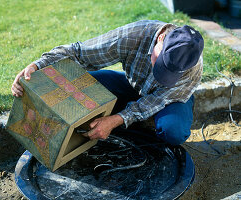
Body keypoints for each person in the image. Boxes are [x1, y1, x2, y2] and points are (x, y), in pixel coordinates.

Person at [11, 20, 204, 146]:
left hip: (168, 100)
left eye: (169, 72)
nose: (159, 72)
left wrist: (115, 120)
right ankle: (131, 122)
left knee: (173, 131)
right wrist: (38, 65)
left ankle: (148, 126)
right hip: (133, 86)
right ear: (160, 39)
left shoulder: (192, 66)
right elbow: (79, 53)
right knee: (79, 83)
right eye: (160, 62)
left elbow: (156, 100)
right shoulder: (133, 36)